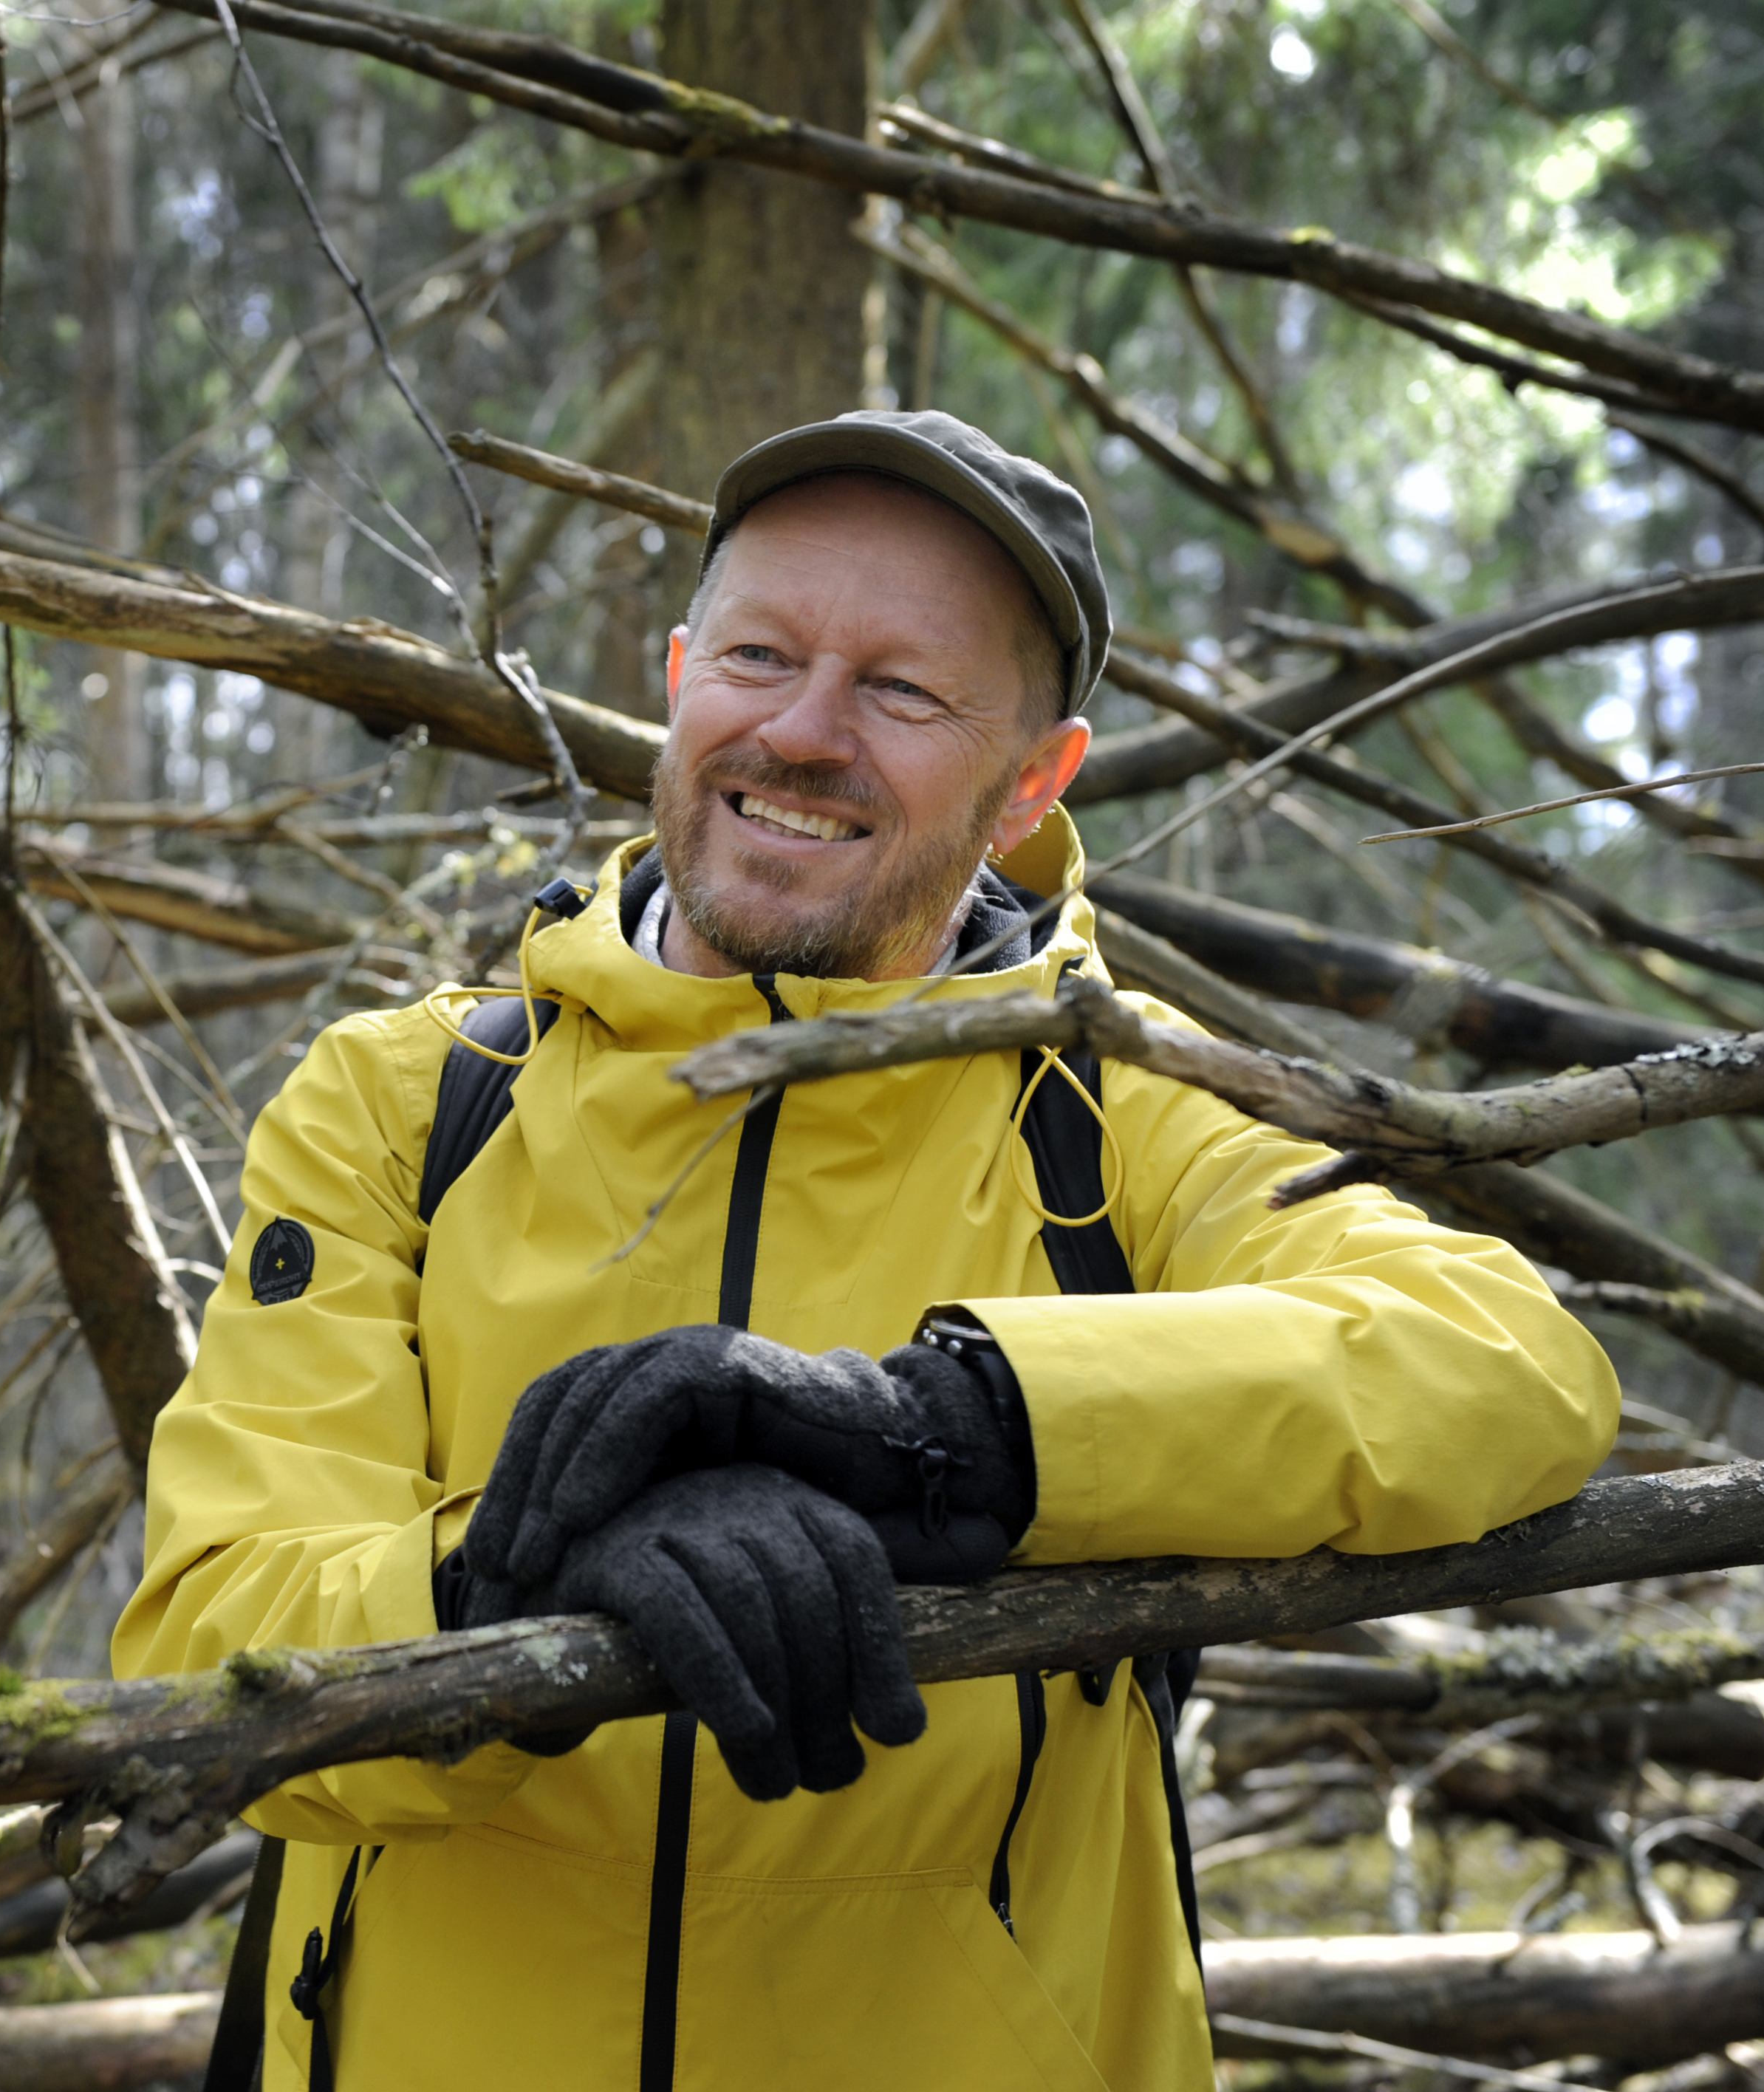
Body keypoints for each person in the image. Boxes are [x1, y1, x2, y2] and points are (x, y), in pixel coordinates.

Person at [112, 410, 1621, 2091]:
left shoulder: (1110, 1111)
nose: (805, 733)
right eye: (757, 656)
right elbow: (210, 1657)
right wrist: (512, 1583)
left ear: (1033, 781)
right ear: (681, 676)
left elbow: (1505, 1366)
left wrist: (934, 1429)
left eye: (903, 692)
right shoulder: (411, 1106)